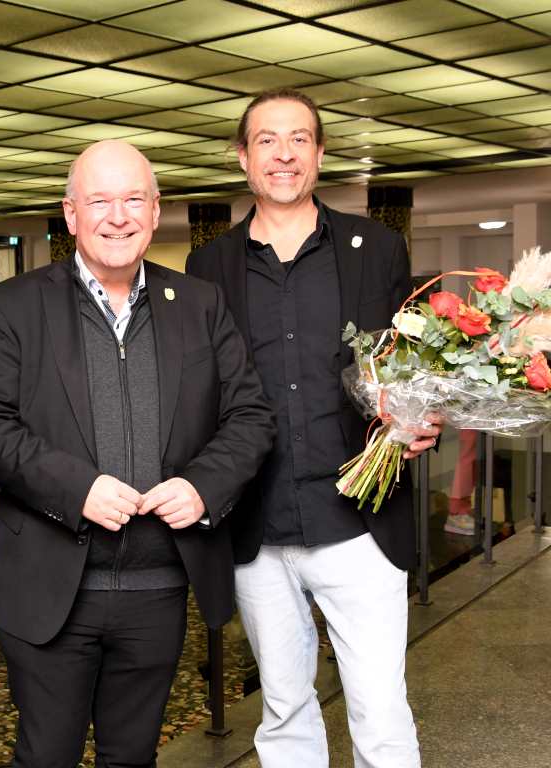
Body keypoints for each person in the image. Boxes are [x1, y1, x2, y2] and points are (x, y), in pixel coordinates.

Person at [0, 140, 275, 768]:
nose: (118, 215)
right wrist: (76, 489)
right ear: (71, 214)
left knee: (132, 758)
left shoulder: (200, 304)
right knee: (45, 755)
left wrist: (203, 487)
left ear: (156, 213)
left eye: (134, 199)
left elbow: (250, 416)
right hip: (50, 585)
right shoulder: (14, 306)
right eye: (99, 200)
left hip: (158, 589)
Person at [186, 89, 440, 768]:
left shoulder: (376, 248)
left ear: (321, 154)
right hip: (258, 525)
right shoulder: (209, 268)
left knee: (380, 708)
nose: (284, 153)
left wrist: (421, 419)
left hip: (359, 518)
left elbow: (408, 363)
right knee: (284, 708)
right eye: (267, 140)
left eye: (299, 138)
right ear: (242, 157)